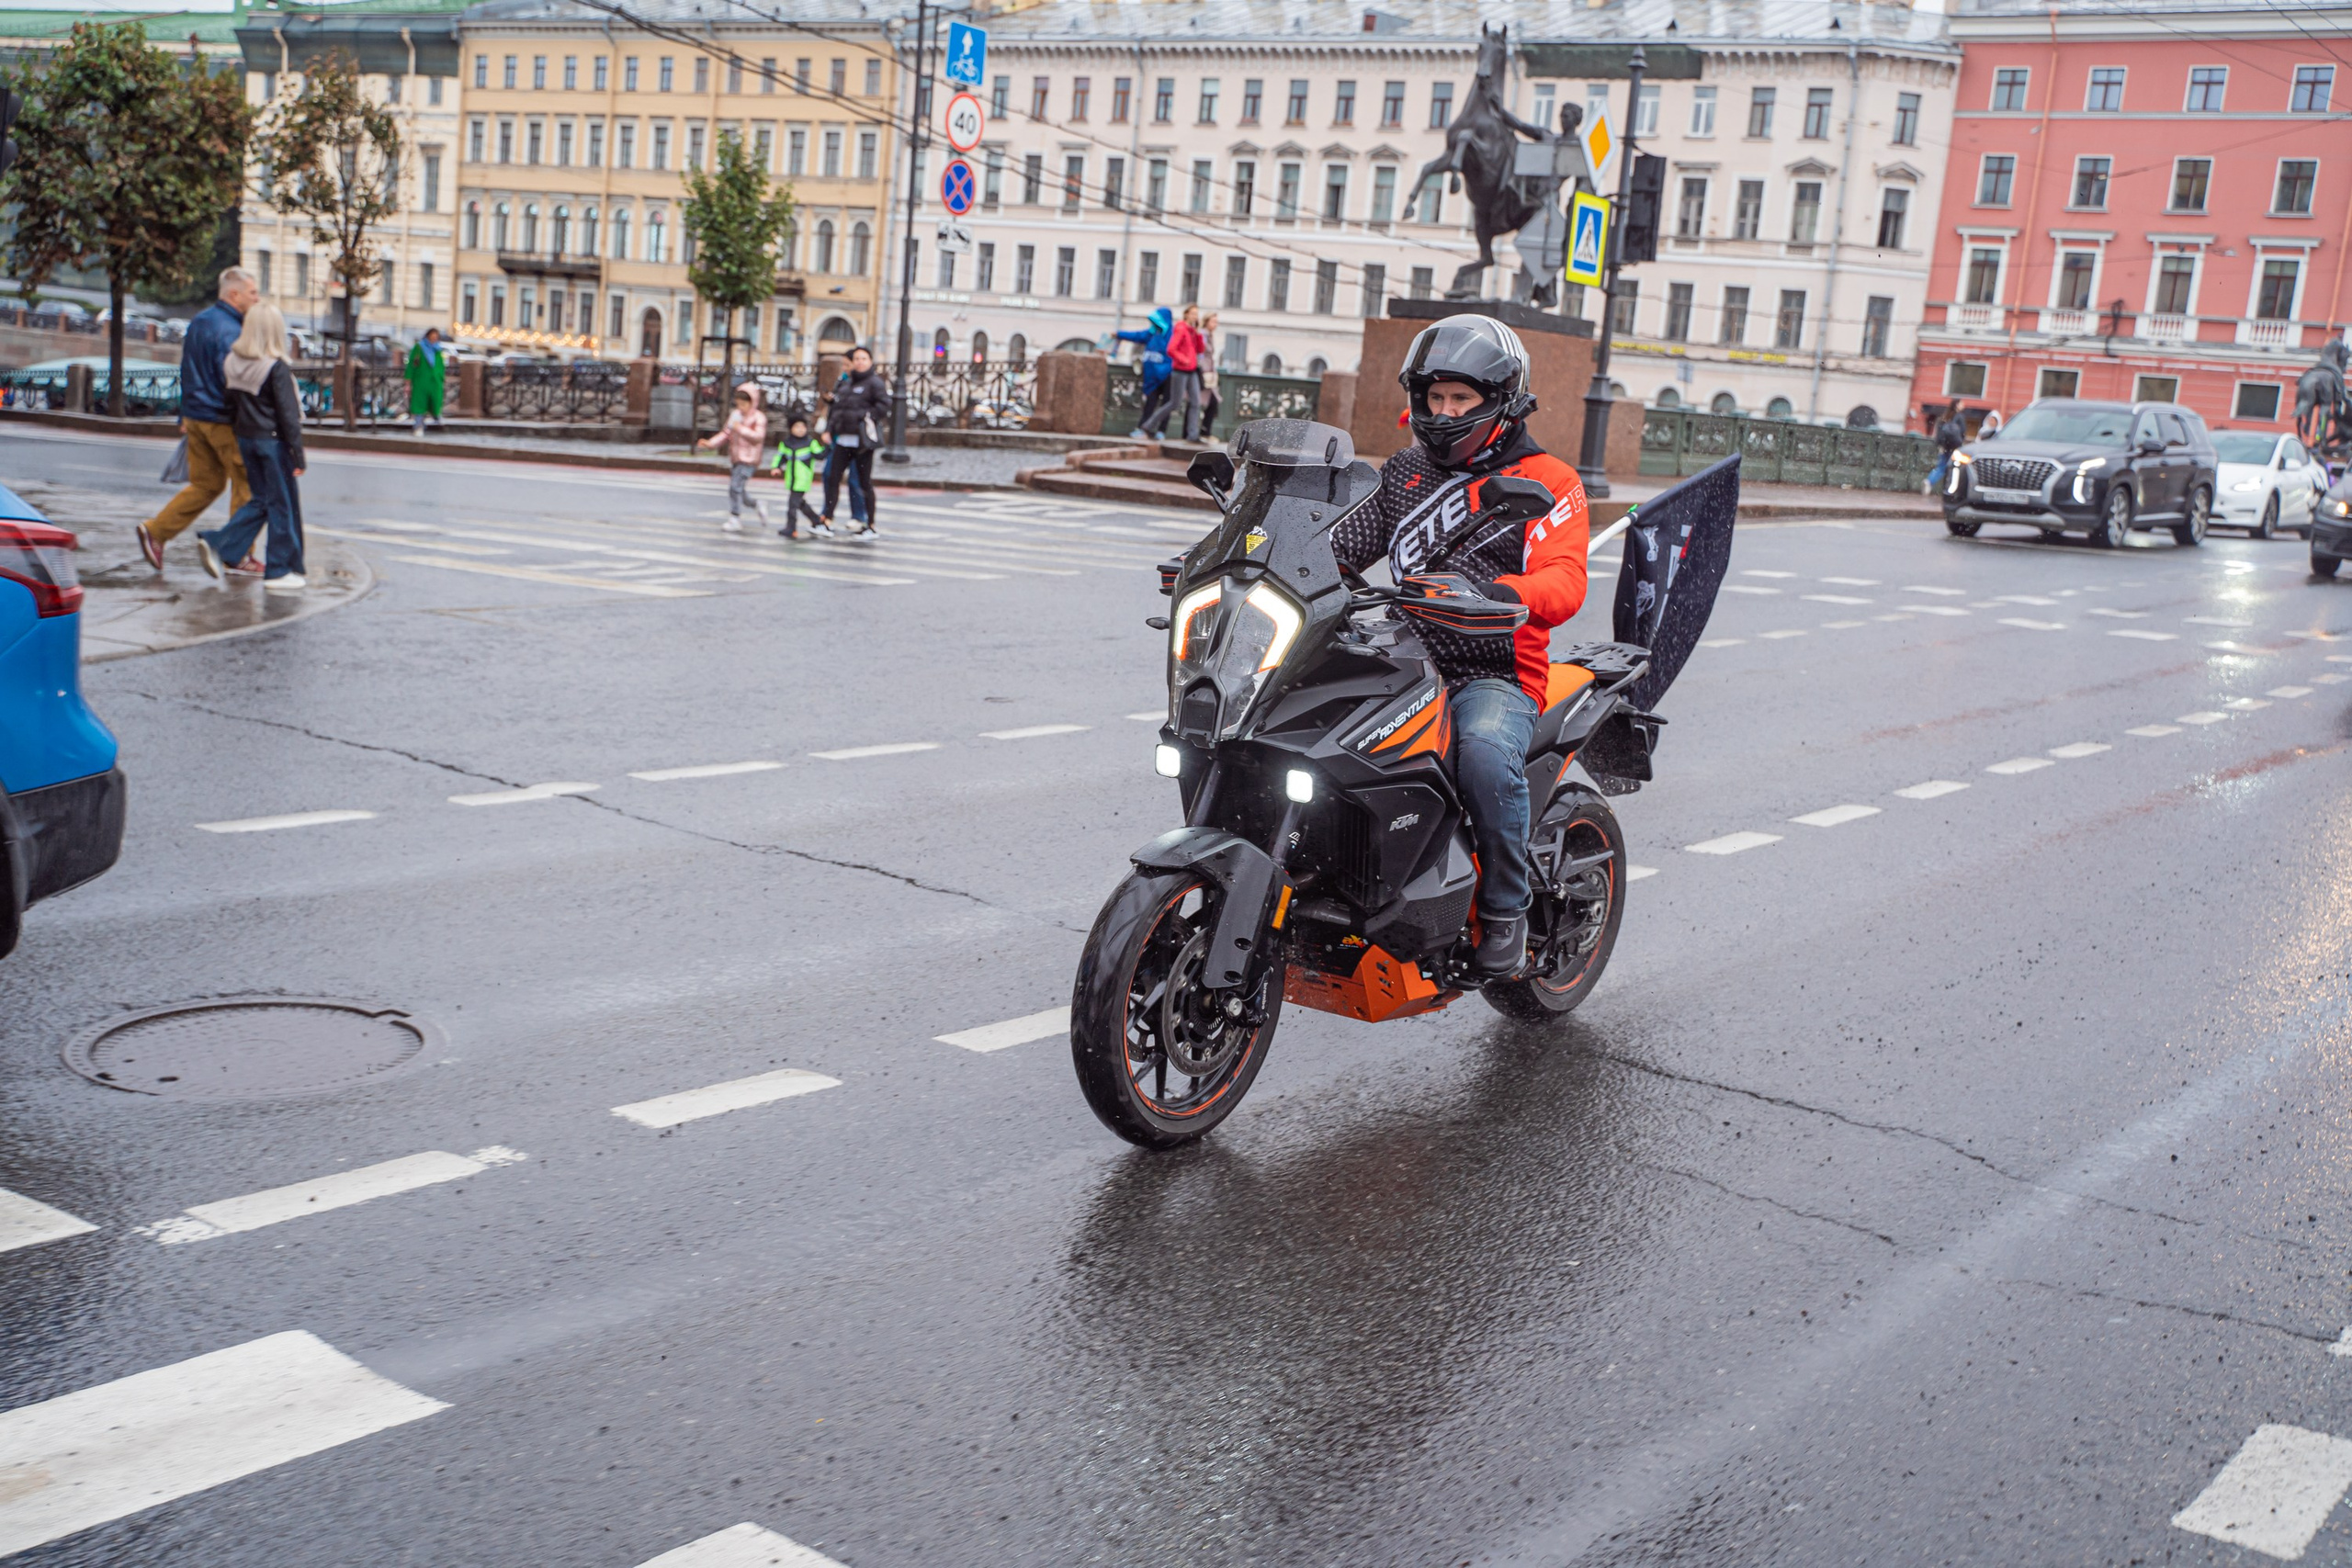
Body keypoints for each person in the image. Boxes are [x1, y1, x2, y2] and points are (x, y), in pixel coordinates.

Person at [1329, 314, 1589, 979]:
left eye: (1460, 400)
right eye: (1434, 397)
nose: (1443, 412)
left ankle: (1506, 911)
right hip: (1402, 657)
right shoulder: (1407, 471)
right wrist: (1270, 561)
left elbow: (1566, 578)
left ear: (1499, 400)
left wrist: (1505, 595)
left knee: (1480, 755)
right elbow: (1344, 546)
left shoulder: (1548, 480)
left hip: (1494, 671)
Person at [138, 266, 259, 570]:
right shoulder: (232, 330)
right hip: (223, 419)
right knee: (247, 484)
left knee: (207, 484)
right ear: (234, 294)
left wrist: (184, 412)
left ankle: (156, 531)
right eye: (252, 293)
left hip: (195, 416)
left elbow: (188, 371)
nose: (256, 299)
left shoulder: (201, 321)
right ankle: (238, 553)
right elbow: (232, 379)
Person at [197, 301, 307, 592]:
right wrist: (298, 454)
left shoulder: (233, 362)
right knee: (281, 507)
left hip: (247, 439)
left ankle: (220, 545)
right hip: (273, 443)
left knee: (261, 501)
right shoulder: (276, 367)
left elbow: (229, 405)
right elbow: (288, 416)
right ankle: (279, 570)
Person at [820, 344, 890, 535]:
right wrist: (829, 429)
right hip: (843, 439)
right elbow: (838, 410)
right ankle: (826, 519)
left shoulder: (874, 382)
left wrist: (867, 417)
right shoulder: (847, 383)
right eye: (857, 359)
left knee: (863, 482)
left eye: (864, 359)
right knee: (832, 478)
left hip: (862, 442)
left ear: (870, 362)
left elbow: (884, 405)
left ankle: (870, 524)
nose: (859, 362)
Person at [698, 382, 770, 532]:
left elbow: (758, 437)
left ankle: (735, 517)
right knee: (740, 490)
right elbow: (726, 433)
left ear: (752, 402)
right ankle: (757, 504)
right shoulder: (735, 415)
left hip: (750, 459)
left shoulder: (758, 417)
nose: (741, 407)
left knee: (734, 487)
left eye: (744, 404)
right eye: (739, 404)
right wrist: (710, 444)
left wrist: (741, 428)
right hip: (737, 457)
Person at [1140, 304, 1207, 443]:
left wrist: (1198, 332)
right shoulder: (1181, 328)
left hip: (1192, 371)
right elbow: (1171, 349)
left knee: (1196, 402)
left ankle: (1193, 435)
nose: (1195, 316)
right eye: (1193, 313)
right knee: (1174, 403)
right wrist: (1185, 360)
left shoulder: (1192, 331)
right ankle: (1148, 425)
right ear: (1187, 314)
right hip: (1180, 371)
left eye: (1197, 314)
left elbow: (1200, 350)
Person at [1115, 305, 1173, 437]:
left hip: (1168, 375)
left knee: (1167, 404)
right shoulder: (1151, 333)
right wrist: (1118, 334)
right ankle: (1144, 429)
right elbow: (1136, 335)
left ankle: (1161, 431)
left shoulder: (1172, 334)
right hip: (1152, 376)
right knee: (1150, 403)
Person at [768, 409, 825, 538]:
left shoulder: (810, 443)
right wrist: (775, 467)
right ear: (791, 428)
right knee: (799, 503)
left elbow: (820, 455)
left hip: (803, 479)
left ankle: (791, 528)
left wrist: (828, 446)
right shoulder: (786, 444)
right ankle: (816, 519)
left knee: (792, 504)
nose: (800, 429)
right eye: (797, 426)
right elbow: (780, 457)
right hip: (791, 478)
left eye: (803, 426)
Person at [404, 328, 447, 435]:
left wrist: (441, 377)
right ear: (428, 335)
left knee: (436, 400)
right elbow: (411, 365)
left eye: (436, 335)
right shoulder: (419, 347)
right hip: (421, 380)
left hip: (435, 382)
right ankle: (418, 425)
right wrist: (408, 381)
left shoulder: (438, 349)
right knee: (420, 402)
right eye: (432, 335)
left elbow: (441, 365)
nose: (434, 337)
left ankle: (437, 419)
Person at [1926, 403, 1965, 492]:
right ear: (1957, 405)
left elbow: (1939, 433)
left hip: (1945, 446)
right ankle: (1949, 488)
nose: (1963, 405)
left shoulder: (1945, 416)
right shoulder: (1959, 417)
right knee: (1953, 468)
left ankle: (1930, 481)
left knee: (1941, 467)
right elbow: (1963, 431)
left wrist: (1941, 444)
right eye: (1961, 403)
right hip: (1955, 447)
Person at [1197, 312, 1223, 434]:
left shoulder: (1209, 335)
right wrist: (1204, 369)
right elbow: (1201, 353)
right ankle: (1203, 430)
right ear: (1206, 321)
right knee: (1201, 402)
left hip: (1209, 373)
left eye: (1216, 322)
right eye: (1213, 321)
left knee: (1207, 402)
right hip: (1204, 373)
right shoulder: (1203, 334)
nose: (1215, 324)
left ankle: (1204, 430)